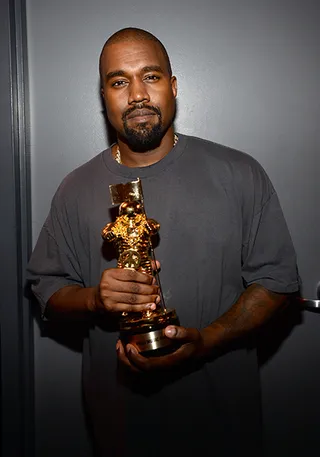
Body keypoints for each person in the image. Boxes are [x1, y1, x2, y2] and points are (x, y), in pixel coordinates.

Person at [27, 27, 299, 457]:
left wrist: (205, 342)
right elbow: (46, 288)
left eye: (150, 76)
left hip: (224, 424)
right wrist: (96, 300)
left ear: (172, 87)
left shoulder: (239, 173)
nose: (136, 94)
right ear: (105, 97)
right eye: (119, 81)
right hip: (119, 428)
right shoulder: (74, 189)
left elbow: (278, 282)